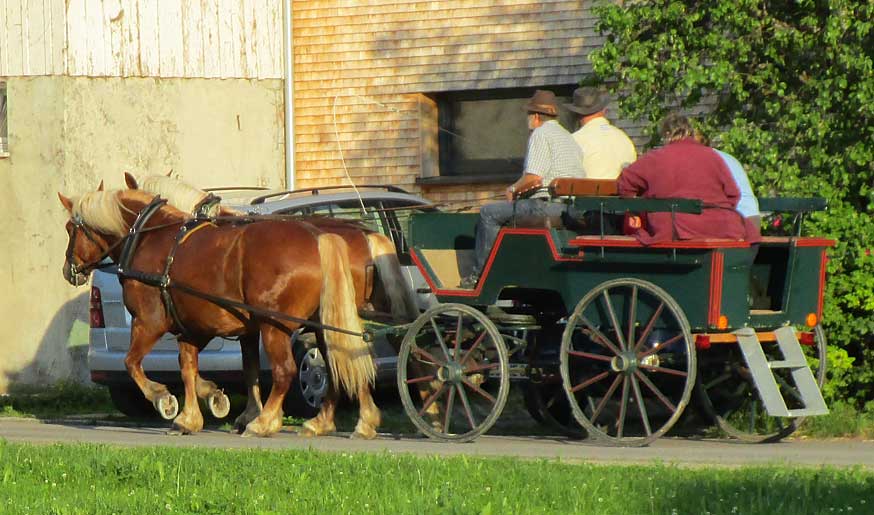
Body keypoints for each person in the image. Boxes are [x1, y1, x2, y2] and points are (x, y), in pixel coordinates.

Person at [459, 90, 585, 289]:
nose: (527, 120)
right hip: (569, 208)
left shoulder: (541, 134)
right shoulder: (568, 137)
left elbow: (534, 178)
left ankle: (481, 277)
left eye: (528, 115)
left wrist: (513, 188)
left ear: (535, 117)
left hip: (545, 206)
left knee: (488, 213)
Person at [617, 113, 745, 244]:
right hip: (723, 228)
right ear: (691, 132)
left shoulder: (655, 158)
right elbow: (733, 194)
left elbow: (625, 182)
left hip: (674, 231)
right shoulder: (713, 156)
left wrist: (635, 209)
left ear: (666, 134)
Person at [564, 87, 637, 179]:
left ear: (576, 113)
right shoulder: (624, 138)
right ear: (603, 110)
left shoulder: (574, 140)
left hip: (588, 192)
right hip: (622, 192)